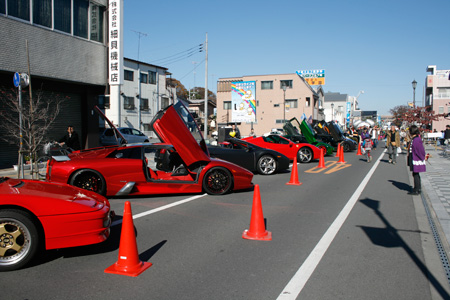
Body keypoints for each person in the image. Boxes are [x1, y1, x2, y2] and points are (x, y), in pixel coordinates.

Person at [407, 125, 426, 195]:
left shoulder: (416, 139)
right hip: (414, 157)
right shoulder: (415, 138)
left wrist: (422, 157)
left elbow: (419, 150)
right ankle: (417, 188)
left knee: (415, 174)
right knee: (415, 174)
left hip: (416, 158)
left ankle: (416, 189)